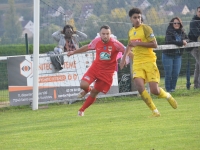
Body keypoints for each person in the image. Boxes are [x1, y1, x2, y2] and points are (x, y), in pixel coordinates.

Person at [120, 7, 177, 117]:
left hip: (149, 61)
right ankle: (155, 111)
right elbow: (130, 45)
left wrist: (138, 44)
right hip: (137, 62)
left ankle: (167, 96)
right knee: (140, 87)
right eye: (135, 18)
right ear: (130, 19)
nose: (137, 20)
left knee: (154, 91)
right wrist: (124, 58)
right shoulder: (131, 32)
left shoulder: (146, 29)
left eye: (139, 17)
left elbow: (154, 44)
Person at [67, 25, 127, 116]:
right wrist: (73, 52)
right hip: (95, 68)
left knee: (94, 92)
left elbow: (126, 50)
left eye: (107, 34)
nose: (105, 36)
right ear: (100, 34)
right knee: (83, 84)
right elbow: (87, 47)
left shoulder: (115, 43)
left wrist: (125, 59)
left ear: (110, 34)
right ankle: (87, 89)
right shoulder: (97, 41)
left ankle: (81, 110)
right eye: (103, 34)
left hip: (107, 73)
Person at [162, 17, 188, 92]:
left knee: (176, 73)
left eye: (178, 23)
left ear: (180, 24)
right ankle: (168, 90)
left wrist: (185, 40)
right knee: (168, 73)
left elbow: (187, 39)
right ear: (172, 24)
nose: (176, 24)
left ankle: (173, 89)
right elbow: (170, 41)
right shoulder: (169, 31)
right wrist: (181, 43)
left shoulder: (182, 32)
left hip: (178, 55)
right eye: (175, 23)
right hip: (168, 55)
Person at [188, 6, 200, 89]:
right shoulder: (193, 22)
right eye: (199, 11)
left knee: (198, 66)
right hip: (194, 46)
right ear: (197, 12)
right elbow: (196, 34)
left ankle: (196, 85)